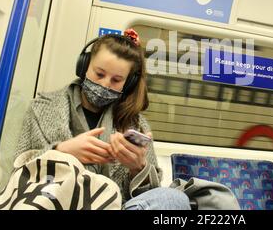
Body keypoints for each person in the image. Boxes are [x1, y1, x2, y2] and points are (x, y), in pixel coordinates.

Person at [15, 29, 190, 210]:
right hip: (56, 202)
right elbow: (19, 172)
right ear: (84, 66)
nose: (105, 84)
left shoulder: (136, 125)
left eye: (116, 80)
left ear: (127, 83)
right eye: (99, 74)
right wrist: (61, 151)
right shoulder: (43, 108)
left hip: (112, 205)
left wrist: (138, 168)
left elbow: (150, 194)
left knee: (173, 199)